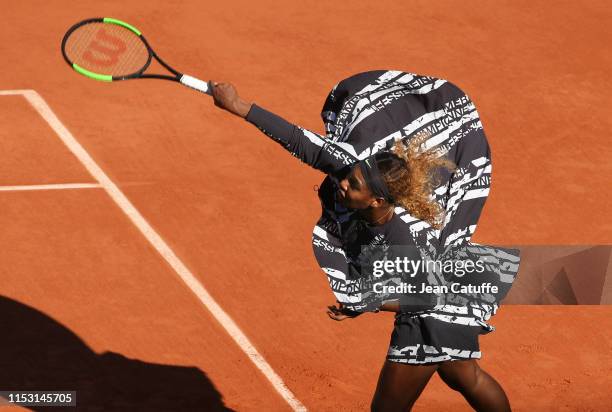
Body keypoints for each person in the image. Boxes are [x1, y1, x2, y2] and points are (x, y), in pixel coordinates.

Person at [210, 70, 519, 411]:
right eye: (349, 177)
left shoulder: (408, 241)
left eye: (353, 185)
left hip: (433, 309)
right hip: (441, 289)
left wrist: (364, 303)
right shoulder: (360, 177)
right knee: (463, 375)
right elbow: (303, 143)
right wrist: (239, 106)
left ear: (377, 201)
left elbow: (427, 299)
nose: (343, 184)